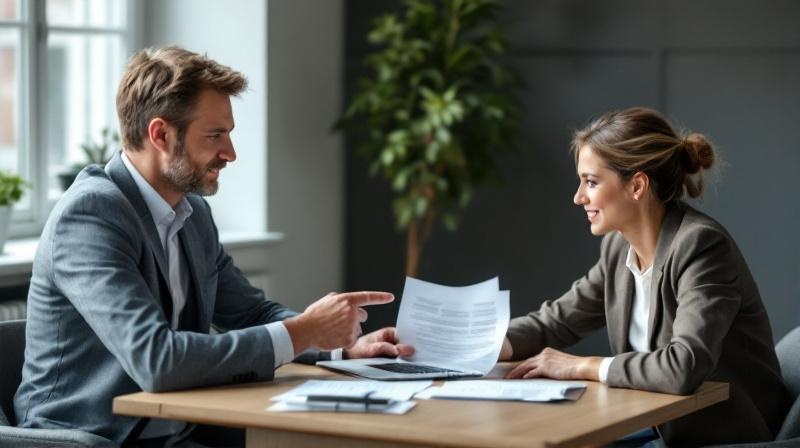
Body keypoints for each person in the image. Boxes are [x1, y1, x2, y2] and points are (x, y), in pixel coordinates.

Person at [14, 46, 412, 446]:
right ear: (161, 134)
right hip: (88, 438)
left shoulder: (192, 214)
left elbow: (250, 312)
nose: (230, 153)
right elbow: (158, 360)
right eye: (215, 135)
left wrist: (338, 349)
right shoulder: (91, 215)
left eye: (229, 134)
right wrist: (305, 330)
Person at [498, 107, 791, 446]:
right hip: (662, 428)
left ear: (637, 185)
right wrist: (463, 348)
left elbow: (683, 366)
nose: (578, 197)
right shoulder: (617, 248)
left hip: (722, 436)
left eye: (591, 182)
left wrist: (581, 367)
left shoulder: (701, 246)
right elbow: (555, 322)